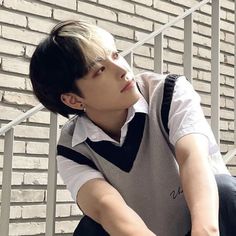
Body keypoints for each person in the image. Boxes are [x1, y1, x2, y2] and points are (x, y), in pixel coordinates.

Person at [29, 20, 236, 236]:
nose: (123, 70)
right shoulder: (72, 148)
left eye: (116, 55)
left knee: (224, 189)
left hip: (211, 223)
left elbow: (192, 157)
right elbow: (107, 208)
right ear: (73, 100)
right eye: (100, 69)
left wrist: (205, 231)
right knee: (91, 228)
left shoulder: (168, 92)